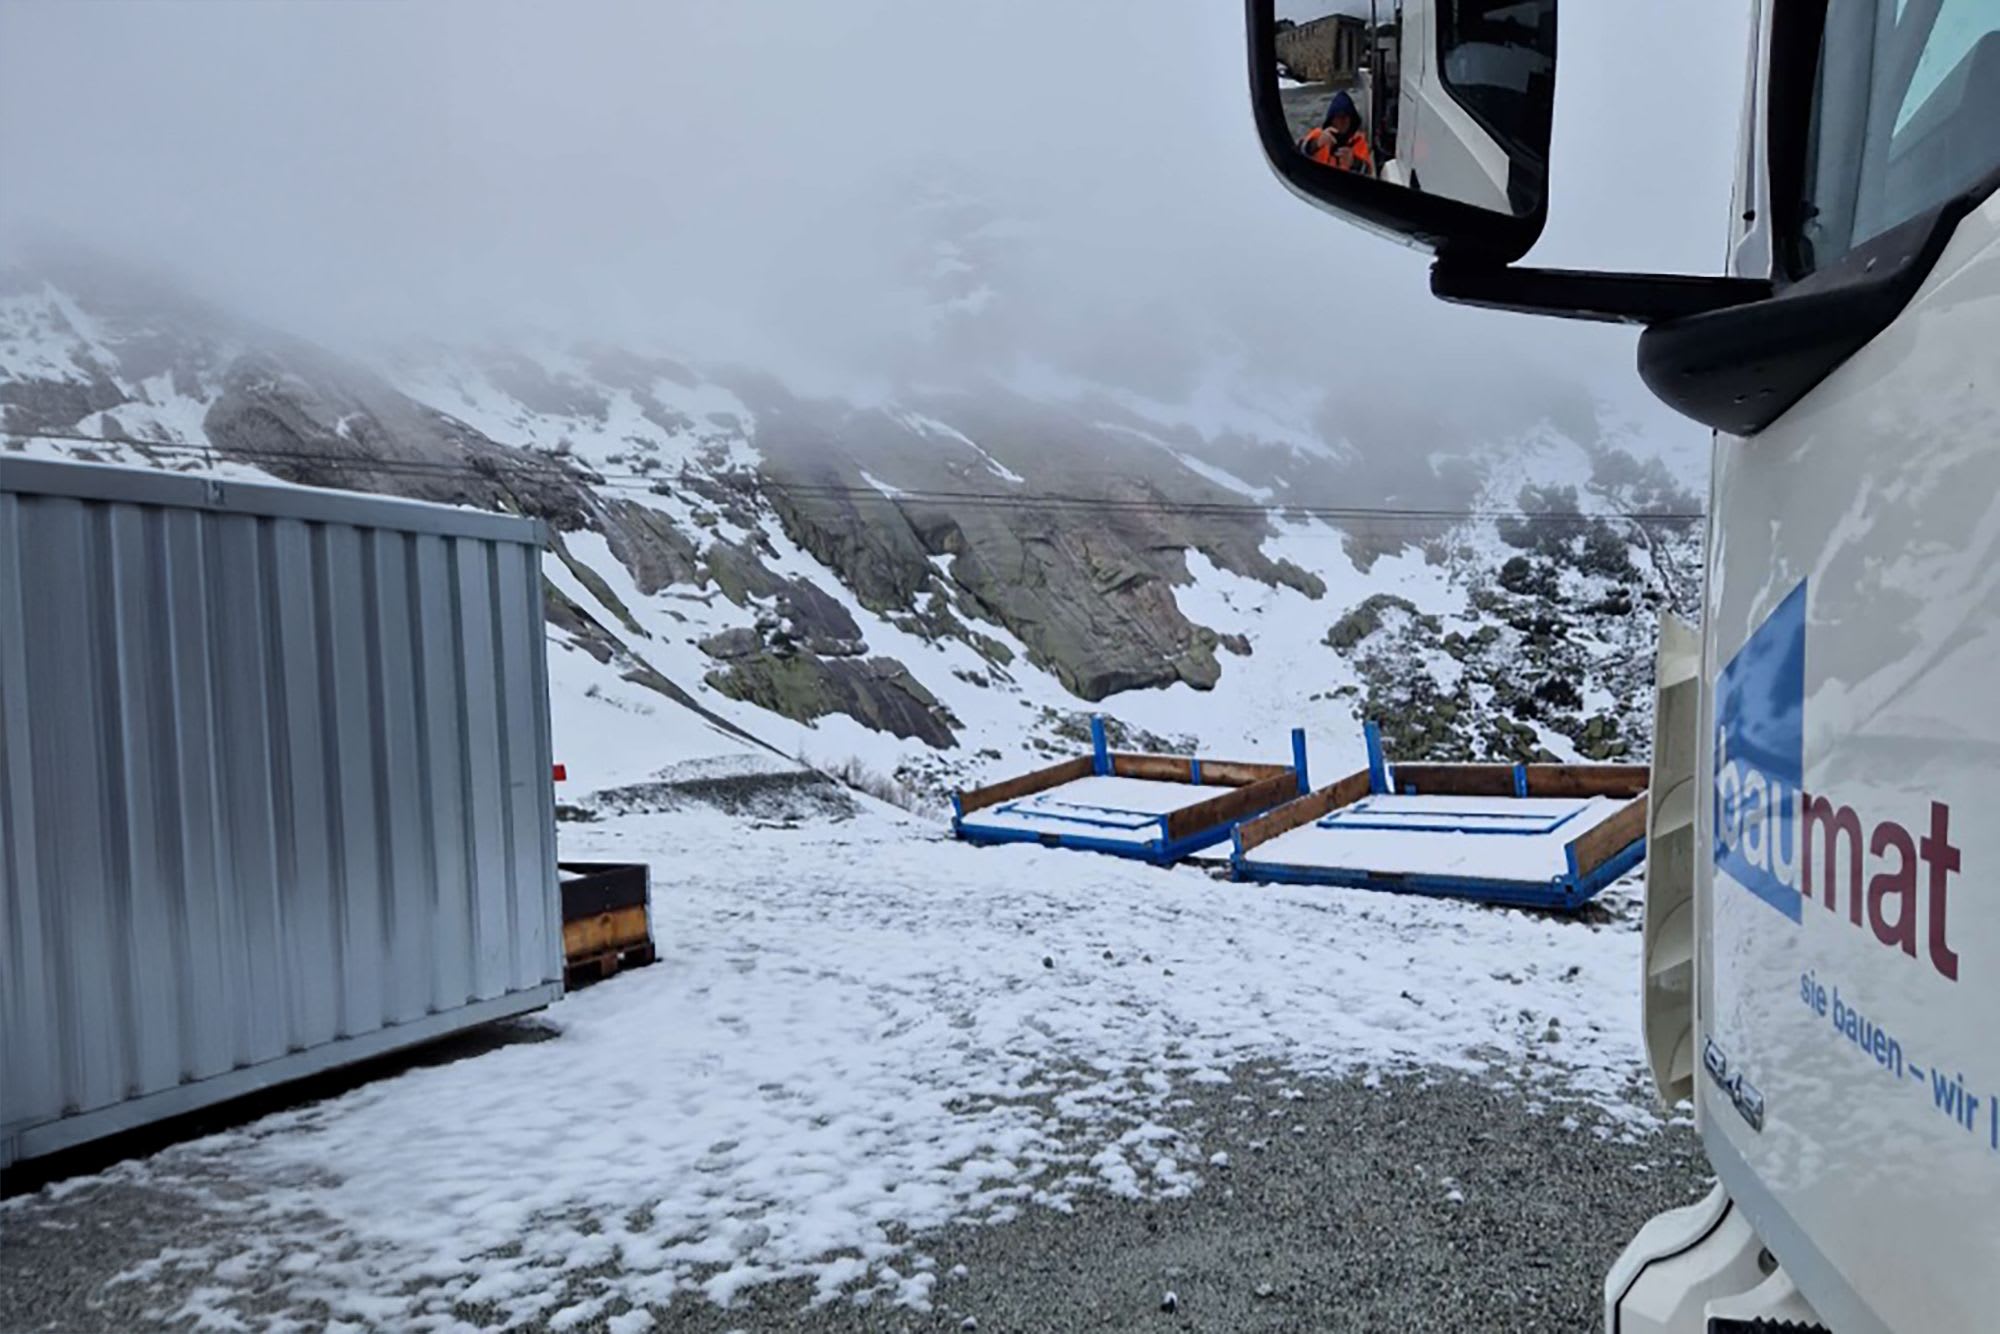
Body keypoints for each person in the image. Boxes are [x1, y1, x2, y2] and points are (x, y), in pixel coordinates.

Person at [1300, 89, 1372, 175]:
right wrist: (1316, 144)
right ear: (1331, 119)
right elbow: (1297, 153)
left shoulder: (1359, 141)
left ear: (1351, 119)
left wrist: (1354, 162)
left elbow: (1368, 172)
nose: (1341, 121)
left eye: (1345, 117)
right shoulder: (1319, 135)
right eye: (1338, 116)